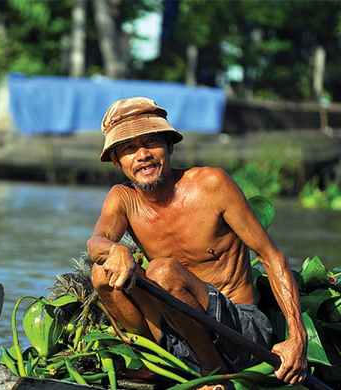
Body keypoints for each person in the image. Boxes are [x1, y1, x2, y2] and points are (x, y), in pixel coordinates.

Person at [87, 97, 307, 384]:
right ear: (117, 161)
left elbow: (272, 257)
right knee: (100, 273)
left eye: (151, 142)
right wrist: (115, 249)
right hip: (177, 333)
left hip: (238, 334)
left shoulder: (212, 185)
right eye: (129, 148)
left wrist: (297, 338)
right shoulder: (123, 198)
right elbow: (96, 242)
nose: (142, 155)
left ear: (169, 147)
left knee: (162, 271)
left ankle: (214, 372)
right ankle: (149, 357)